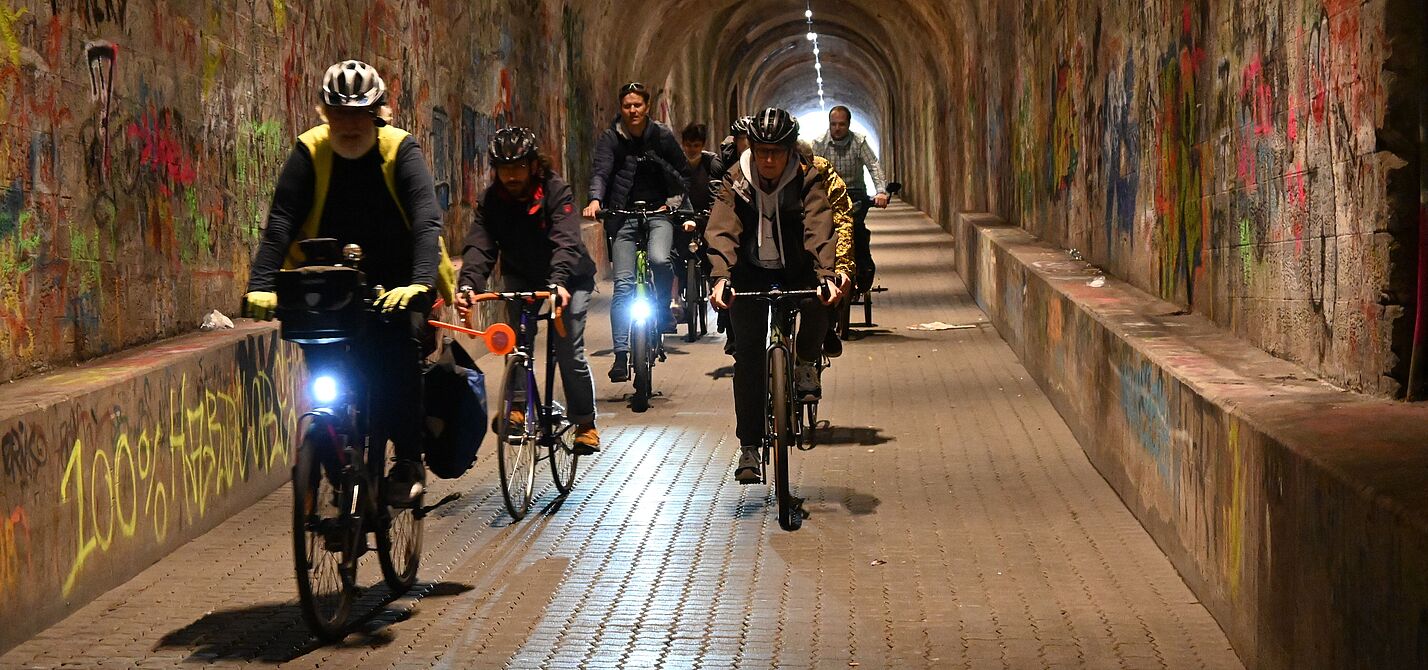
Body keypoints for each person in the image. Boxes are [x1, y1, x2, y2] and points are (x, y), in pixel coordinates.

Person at [243, 59, 449, 504]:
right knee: (325, 369)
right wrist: (261, 283)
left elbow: (426, 220)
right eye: (340, 114)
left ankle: (409, 460)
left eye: (359, 114)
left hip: (395, 283)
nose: (350, 124)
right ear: (325, 113)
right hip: (331, 287)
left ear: (377, 113)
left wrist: (418, 283)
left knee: (398, 355)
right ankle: (339, 470)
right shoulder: (310, 151)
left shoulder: (400, 150)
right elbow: (281, 222)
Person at [706, 108, 840, 483]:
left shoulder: (806, 177)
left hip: (795, 267)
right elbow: (722, 229)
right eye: (761, 150)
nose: (767, 159)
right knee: (747, 357)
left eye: (776, 152)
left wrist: (826, 274)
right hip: (749, 273)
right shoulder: (736, 180)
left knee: (819, 300)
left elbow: (818, 224)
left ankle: (806, 363)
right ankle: (749, 446)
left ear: (789, 150)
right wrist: (720, 277)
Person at [455, 127, 601, 454]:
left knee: (568, 350)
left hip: (568, 278)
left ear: (534, 165)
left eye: (518, 167)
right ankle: (518, 409)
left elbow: (566, 240)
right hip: (522, 275)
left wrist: (558, 282)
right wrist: (468, 284)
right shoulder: (492, 201)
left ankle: (585, 423)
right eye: (504, 168)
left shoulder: (555, 190)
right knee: (515, 340)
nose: (511, 175)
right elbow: (480, 247)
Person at [582, 82, 694, 381]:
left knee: (659, 260)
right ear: (621, 108)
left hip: (658, 212)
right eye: (627, 105)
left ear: (647, 107)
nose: (633, 110)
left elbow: (682, 172)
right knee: (623, 284)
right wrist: (595, 200)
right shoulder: (611, 139)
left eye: (638, 105)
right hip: (623, 215)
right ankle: (621, 355)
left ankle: (660, 309)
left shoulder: (661, 136)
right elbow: (601, 172)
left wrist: (672, 206)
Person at [812, 105, 888, 292]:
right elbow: (810, 170)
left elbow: (873, 166)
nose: (837, 128)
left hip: (855, 194)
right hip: (829, 194)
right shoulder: (819, 143)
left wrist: (881, 192)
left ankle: (864, 268)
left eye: (841, 124)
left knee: (858, 232)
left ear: (849, 124)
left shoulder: (859, 142)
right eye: (833, 124)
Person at [795, 139, 856, 359]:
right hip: (786, 247)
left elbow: (842, 222)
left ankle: (828, 327)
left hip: (822, 243)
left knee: (829, 286)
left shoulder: (825, 176)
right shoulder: (770, 176)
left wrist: (842, 268)